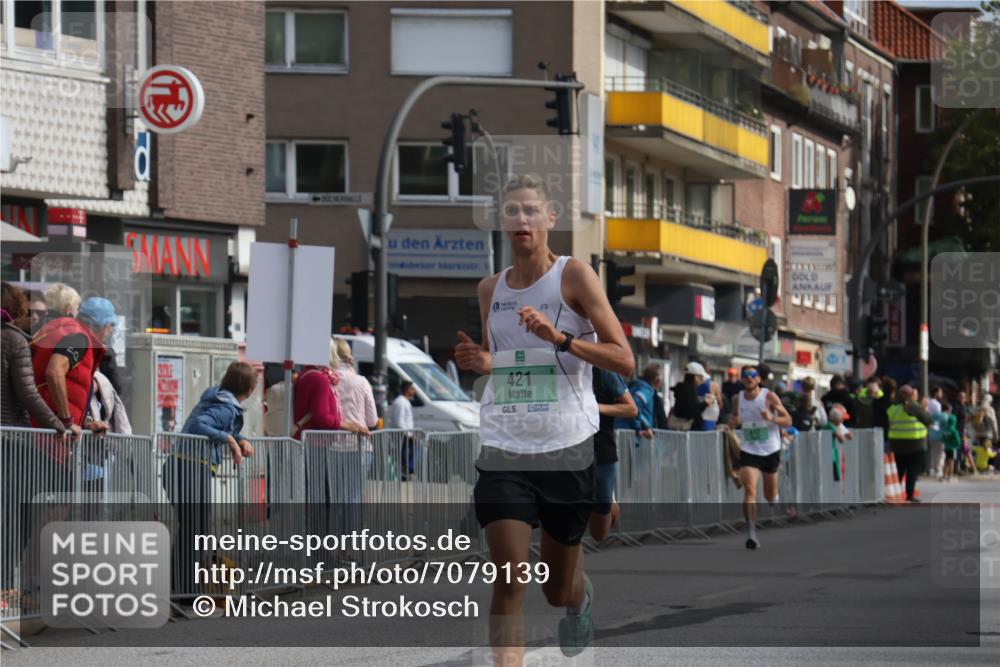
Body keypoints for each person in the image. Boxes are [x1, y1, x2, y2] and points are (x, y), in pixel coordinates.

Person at [453, 173, 634, 662]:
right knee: (509, 576)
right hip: (505, 448)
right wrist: (481, 362)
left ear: (551, 219)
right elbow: (500, 362)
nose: (521, 220)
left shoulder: (573, 277)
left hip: (566, 448)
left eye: (531, 210)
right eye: (511, 211)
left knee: (557, 590)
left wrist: (561, 340)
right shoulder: (490, 288)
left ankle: (579, 599)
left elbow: (624, 359)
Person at [166, 361, 257, 596]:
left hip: (186, 468)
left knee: (193, 530)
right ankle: (187, 591)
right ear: (249, 389)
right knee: (194, 531)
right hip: (190, 469)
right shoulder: (226, 406)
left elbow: (217, 425)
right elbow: (199, 425)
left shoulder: (220, 400)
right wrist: (228, 439)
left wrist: (239, 438)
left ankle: (181, 588)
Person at [31, 297, 118, 457]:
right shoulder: (79, 337)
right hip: (47, 439)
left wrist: (86, 423)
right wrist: (66, 421)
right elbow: (54, 372)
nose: (111, 330)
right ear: (102, 324)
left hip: (41, 431)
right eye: (111, 325)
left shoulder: (66, 328)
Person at [729, 365, 792, 550]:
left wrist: (772, 417)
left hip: (770, 450)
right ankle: (751, 533)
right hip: (749, 450)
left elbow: (788, 421)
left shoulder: (769, 396)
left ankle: (775, 498)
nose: (749, 378)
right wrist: (733, 423)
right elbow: (734, 419)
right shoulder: (737, 399)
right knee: (749, 491)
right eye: (745, 375)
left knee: (769, 495)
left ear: (758, 379)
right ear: (742, 379)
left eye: (752, 375)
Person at [1, 282, 66, 432]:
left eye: (42, 313)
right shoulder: (15, 340)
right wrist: (60, 425)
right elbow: (28, 394)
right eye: (30, 312)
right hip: (7, 435)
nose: (36, 318)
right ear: (18, 308)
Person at [589, 367, 637, 542]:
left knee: (600, 531)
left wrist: (595, 407)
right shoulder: (557, 365)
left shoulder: (603, 371)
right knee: (568, 525)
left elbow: (631, 409)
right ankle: (573, 570)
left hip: (601, 453)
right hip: (567, 454)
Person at [887, 385, 933, 501]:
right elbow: (928, 420)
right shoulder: (915, 407)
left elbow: (888, 422)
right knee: (912, 469)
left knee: (899, 468)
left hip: (897, 443)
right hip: (915, 443)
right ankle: (909, 494)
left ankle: (896, 493)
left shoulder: (893, 408)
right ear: (912, 395)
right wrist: (924, 408)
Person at [614, 364, 660, 438]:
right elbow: (635, 405)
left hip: (621, 429)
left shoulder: (634, 386)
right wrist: (641, 428)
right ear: (657, 381)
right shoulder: (646, 390)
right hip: (628, 432)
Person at [388, 380, 417, 479]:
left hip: (405, 435)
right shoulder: (400, 402)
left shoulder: (405, 402)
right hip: (402, 435)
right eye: (412, 389)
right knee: (404, 456)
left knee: (407, 456)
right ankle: (404, 474)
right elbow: (399, 421)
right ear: (407, 390)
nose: (414, 391)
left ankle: (406, 473)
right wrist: (409, 434)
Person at [668, 363, 707, 431]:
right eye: (700, 376)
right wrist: (706, 403)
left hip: (677, 427)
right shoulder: (690, 389)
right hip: (688, 429)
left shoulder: (681, 387)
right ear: (695, 377)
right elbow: (692, 410)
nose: (701, 379)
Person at [822, 404, 853, 482]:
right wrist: (839, 430)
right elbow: (841, 439)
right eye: (841, 419)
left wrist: (841, 428)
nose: (843, 421)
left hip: (832, 455)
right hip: (830, 456)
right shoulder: (830, 425)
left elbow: (850, 436)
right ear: (837, 419)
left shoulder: (836, 425)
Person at [941, 402, 962, 482]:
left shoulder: (946, 429)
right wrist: (958, 444)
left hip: (946, 447)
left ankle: (944, 475)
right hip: (953, 448)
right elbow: (957, 440)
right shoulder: (954, 430)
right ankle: (950, 475)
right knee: (952, 461)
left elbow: (943, 438)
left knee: (946, 461)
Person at [873, 376, 896, 449]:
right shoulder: (894, 404)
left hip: (878, 432)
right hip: (891, 433)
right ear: (893, 391)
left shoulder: (876, 402)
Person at [926, 386, 944, 477]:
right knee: (939, 451)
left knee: (932, 450)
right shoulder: (937, 404)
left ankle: (931, 468)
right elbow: (939, 418)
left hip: (929, 428)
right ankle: (938, 469)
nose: (941, 394)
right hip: (937, 429)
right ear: (936, 393)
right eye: (940, 392)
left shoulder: (928, 402)